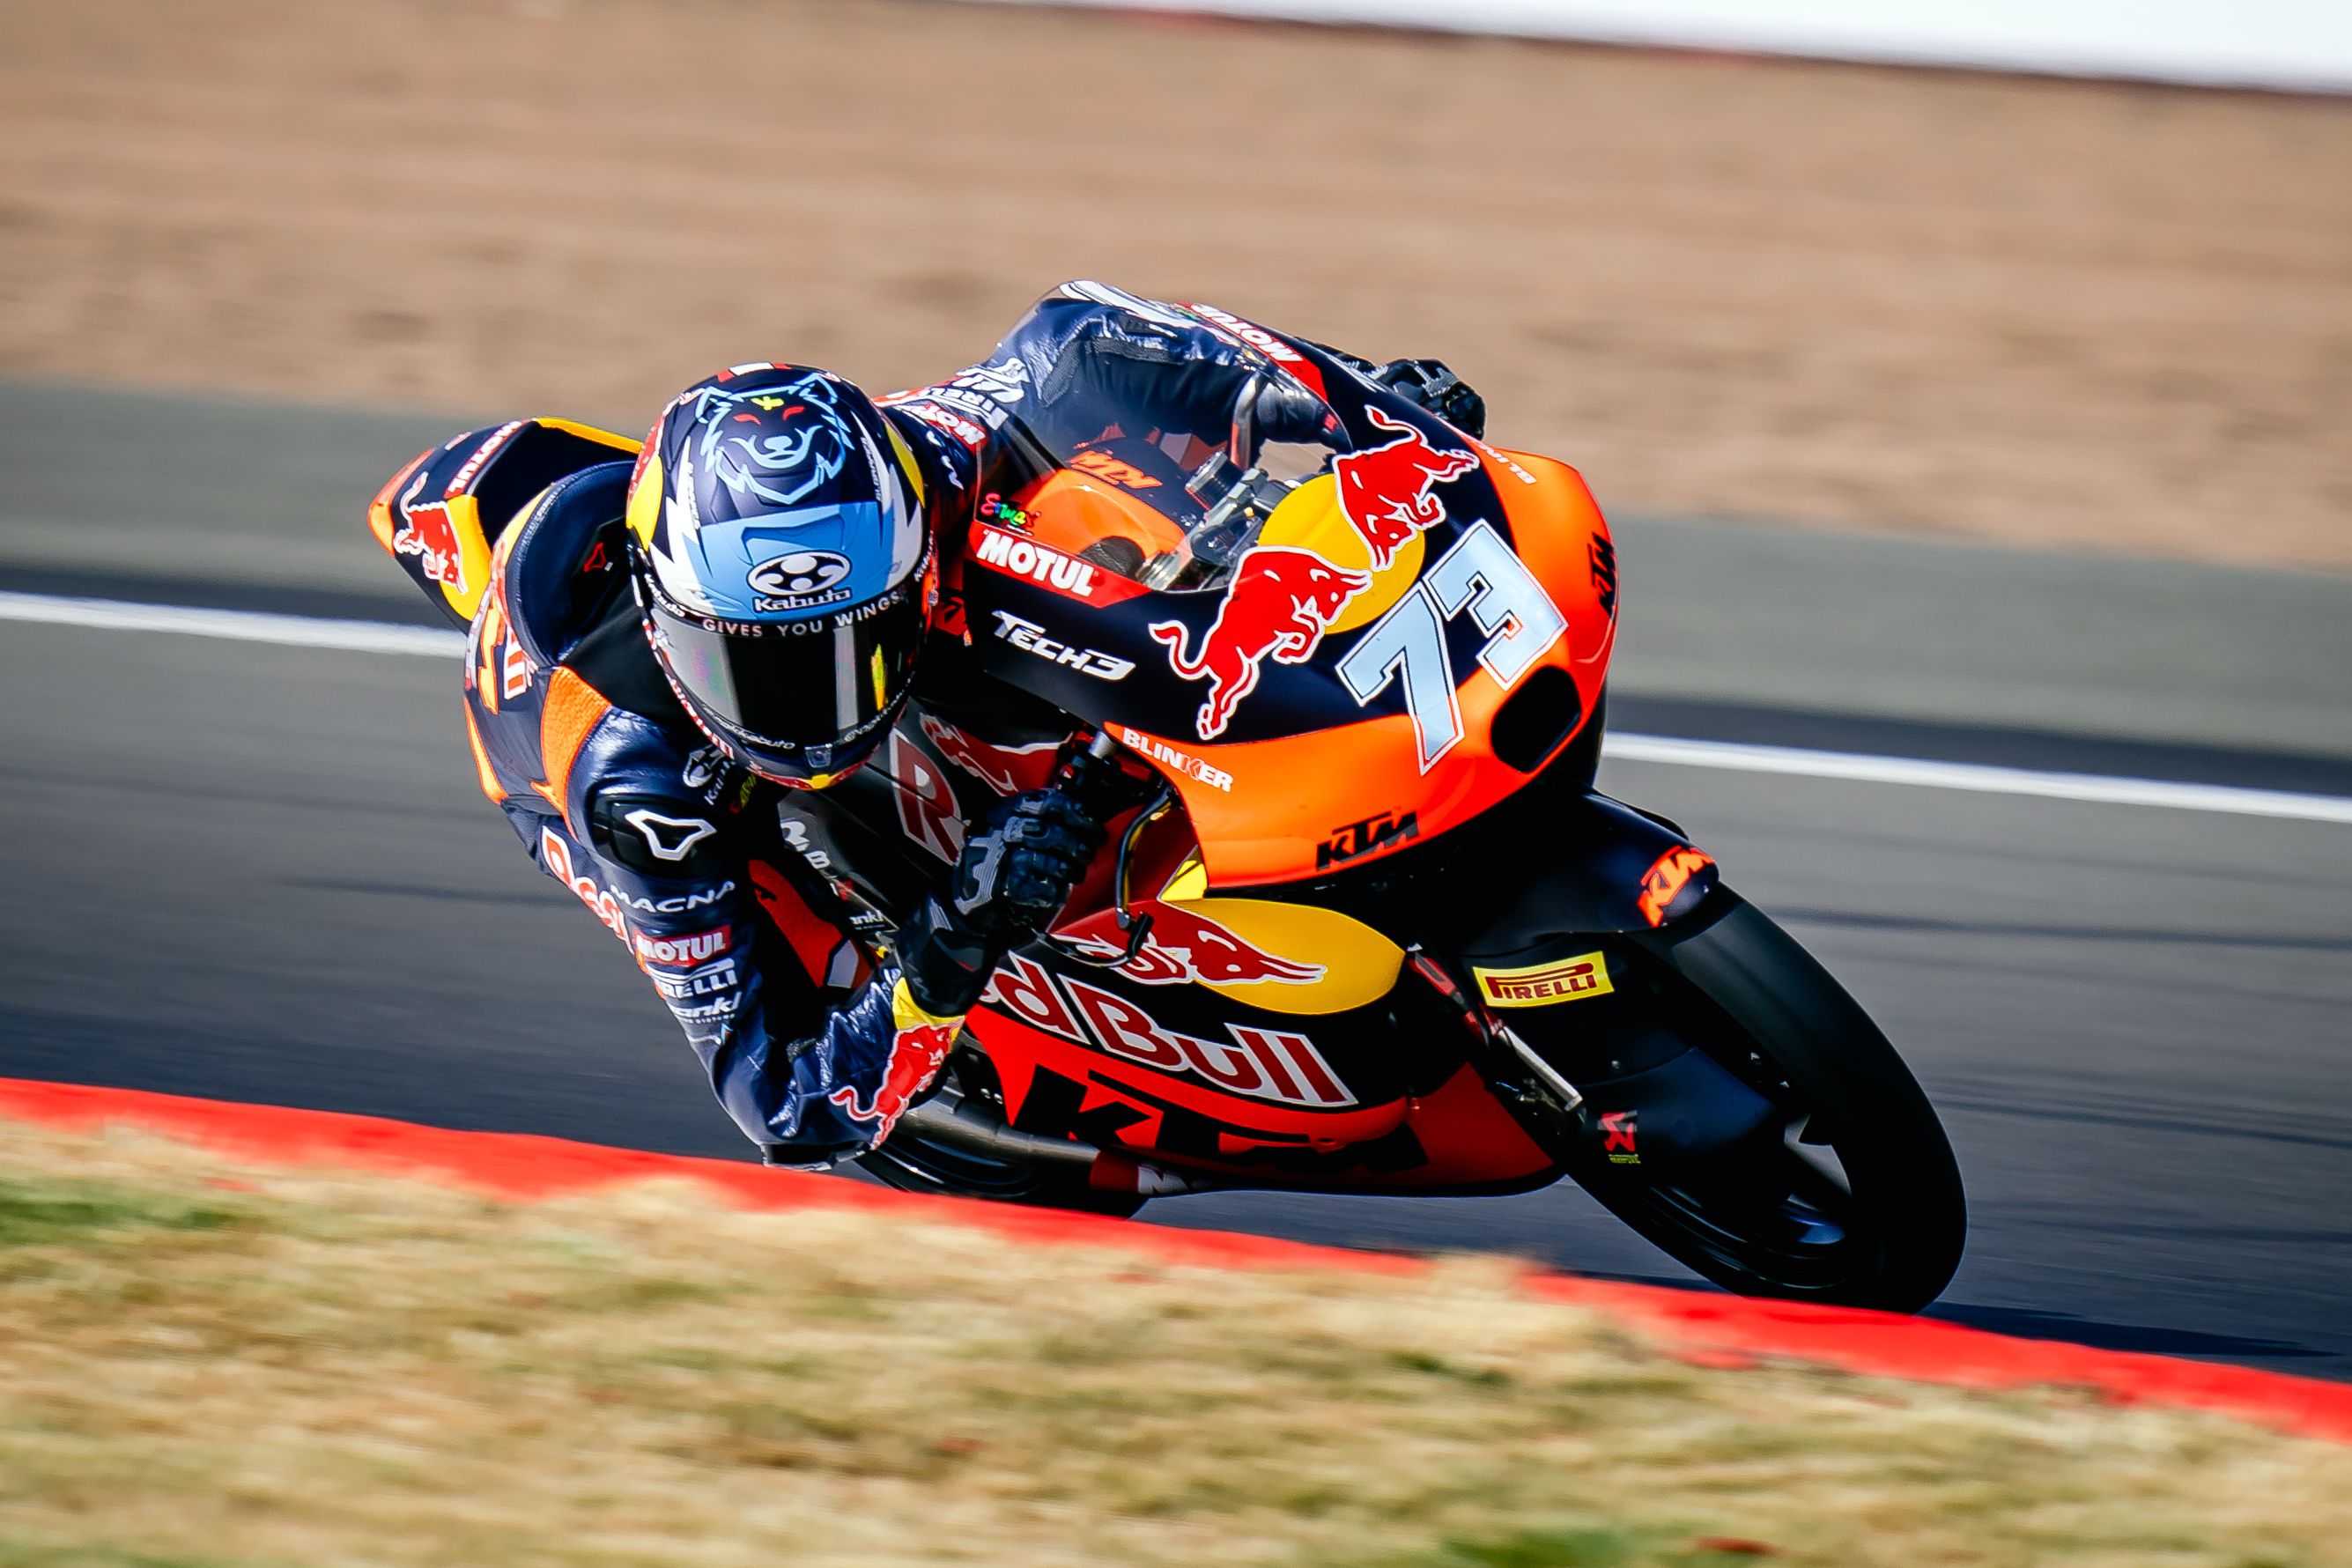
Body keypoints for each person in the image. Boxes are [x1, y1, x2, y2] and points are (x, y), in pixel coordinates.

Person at [367, 281, 1483, 1165]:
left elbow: (1076, 340)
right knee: (804, 949)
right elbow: (784, 1105)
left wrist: (1340, 401)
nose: (814, 708)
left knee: (1087, 508)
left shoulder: (935, 458)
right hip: (601, 765)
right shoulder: (632, 785)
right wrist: (956, 933)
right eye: (758, 668)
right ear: (671, 621)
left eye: (851, 646)